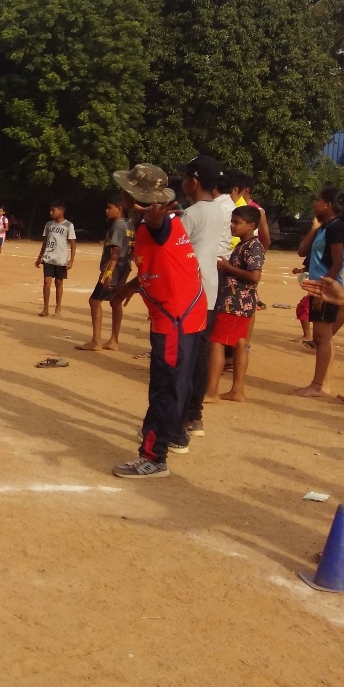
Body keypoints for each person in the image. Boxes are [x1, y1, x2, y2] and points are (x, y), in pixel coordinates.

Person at [110, 164, 206, 478]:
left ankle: (154, 456)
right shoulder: (153, 226)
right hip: (184, 313)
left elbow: (156, 222)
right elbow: (160, 265)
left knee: (166, 387)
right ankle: (175, 433)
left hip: (175, 317)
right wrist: (130, 286)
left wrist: (153, 213)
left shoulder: (158, 224)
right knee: (177, 382)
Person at [175, 155, 230, 438]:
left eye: (185, 178)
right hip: (208, 290)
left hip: (190, 293)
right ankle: (195, 415)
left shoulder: (193, 214)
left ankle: (180, 419)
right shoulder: (218, 211)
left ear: (194, 181)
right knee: (198, 355)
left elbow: (173, 251)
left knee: (184, 358)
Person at [295, 186, 344, 398]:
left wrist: (324, 289)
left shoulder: (336, 228)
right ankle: (320, 384)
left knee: (322, 337)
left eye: (318, 200)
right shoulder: (324, 227)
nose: (314, 203)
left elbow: (338, 262)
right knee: (322, 337)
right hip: (317, 287)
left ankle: (318, 384)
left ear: (327, 205)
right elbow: (302, 251)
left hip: (326, 288)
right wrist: (314, 228)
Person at [207, 206, 264, 403]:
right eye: (232, 221)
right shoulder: (243, 245)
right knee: (240, 344)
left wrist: (226, 267)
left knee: (216, 342)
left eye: (236, 222)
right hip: (242, 303)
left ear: (251, 226)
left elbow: (254, 276)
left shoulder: (252, 247)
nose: (232, 225)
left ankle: (211, 391)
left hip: (235, 303)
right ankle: (237, 390)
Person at [79, 197, 131, 351]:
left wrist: (108, 272)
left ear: (119, 208)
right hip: (124, 267)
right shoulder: (129, 225)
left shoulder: (118, 226)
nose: (106, 210)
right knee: (116, 302)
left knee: (95, 301)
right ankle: (114, 340)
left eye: (110, 207)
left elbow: (115, 251)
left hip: (113, 269)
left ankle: (96, 341)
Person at [35, 200, 76, 317]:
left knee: (59, 283)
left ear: (61, 211)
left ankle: (58, 308)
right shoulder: (49, 225)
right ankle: (45, 308)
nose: (51, 212)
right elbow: (45, 242)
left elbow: (73, 244)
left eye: (53, 210)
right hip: (48, 257)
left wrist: (71, 260)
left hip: (61, 259)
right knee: (47, 281)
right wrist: (40, 257)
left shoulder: (69, 226)